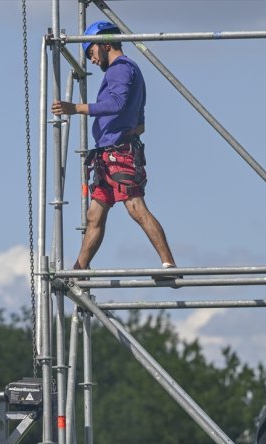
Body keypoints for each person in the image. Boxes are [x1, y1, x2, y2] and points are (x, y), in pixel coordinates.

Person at [51, 21, 177, 276]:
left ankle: (169, 265)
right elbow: (139, 121)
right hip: (109, 153)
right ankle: (79, 269)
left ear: (105, 44)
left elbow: (116, 103)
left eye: (91, 52)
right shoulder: (130, 71)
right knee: (94, 215)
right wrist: (129, 128)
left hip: (118, 152)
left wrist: (76, 108)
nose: (93, 60)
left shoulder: (119, 69)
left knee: (135, 206)